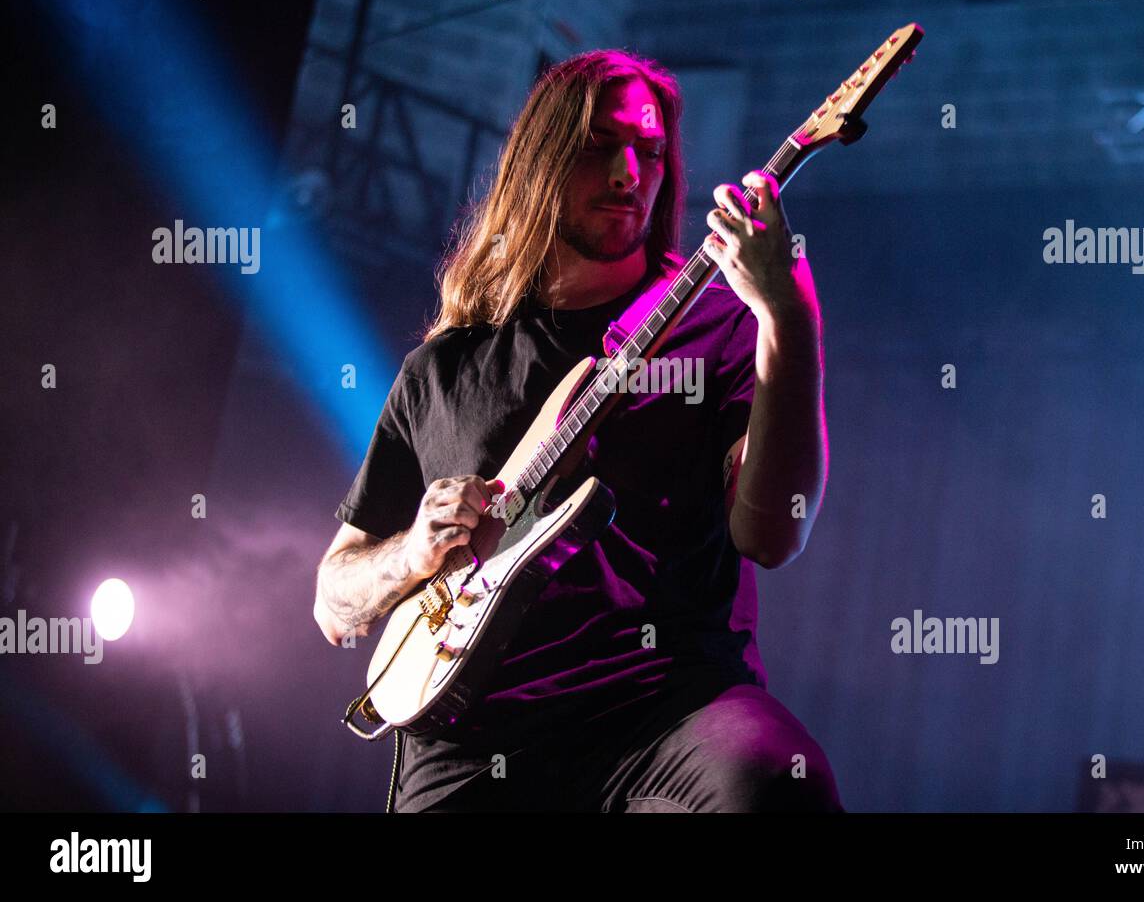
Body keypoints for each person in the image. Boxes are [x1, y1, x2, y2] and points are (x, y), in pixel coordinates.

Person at [313, 49, 842, 812]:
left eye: (650, 150)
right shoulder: (440, 369)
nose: (631, 173)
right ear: (539, 161)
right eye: (600, 147)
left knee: (778, 782)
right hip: (473, 735)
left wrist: (788, 321)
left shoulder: (722, 327)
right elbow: (334, 601)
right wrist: (413, 548)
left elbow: (773, 535)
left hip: (667, 710)